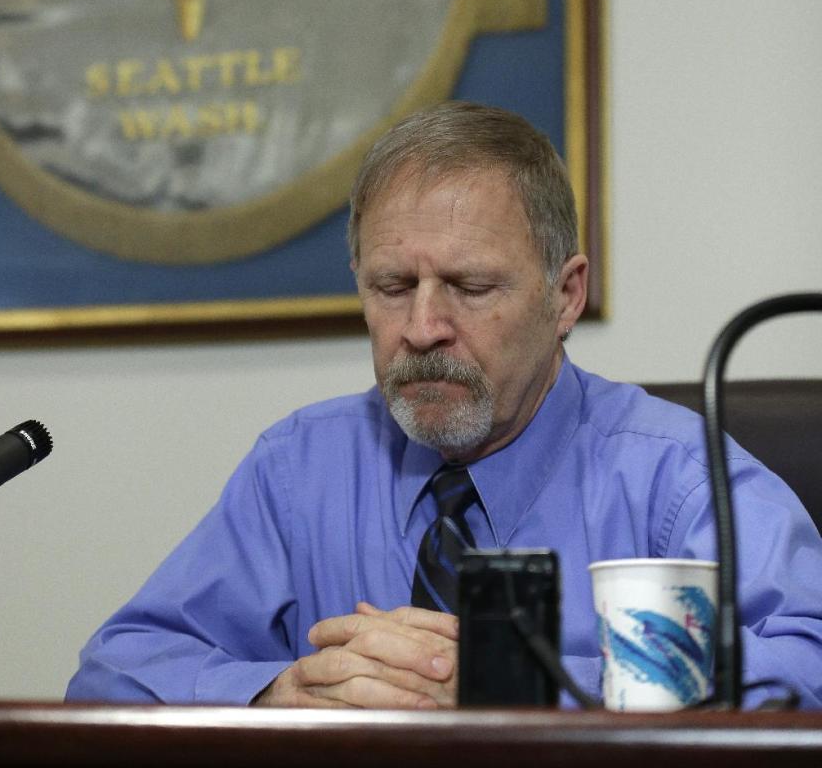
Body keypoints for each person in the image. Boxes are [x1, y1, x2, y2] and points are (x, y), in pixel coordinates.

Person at [67, 101, 822, 708]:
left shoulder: (677, 478)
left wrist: (523, 687)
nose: (423, 329)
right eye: (393, 288)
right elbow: (111, 675)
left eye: (469, 287)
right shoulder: (301, 469)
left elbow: (809, 659)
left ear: (565, 295)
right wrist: (276, 693)